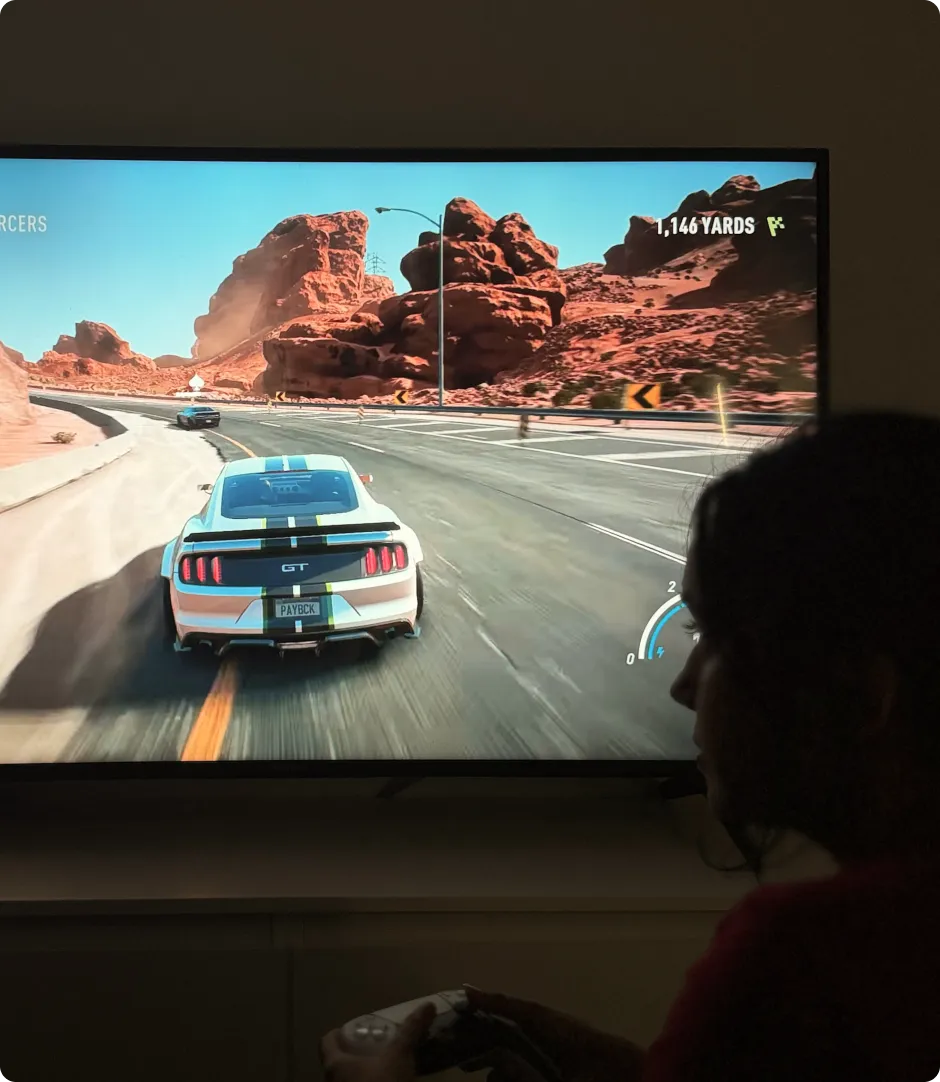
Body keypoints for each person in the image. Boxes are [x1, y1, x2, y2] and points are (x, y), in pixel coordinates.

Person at [320, 412, 940, 1082]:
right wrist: (552, 1039)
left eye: (713, 639)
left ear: (857, 694)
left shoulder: (806, 955)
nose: (684, 686)